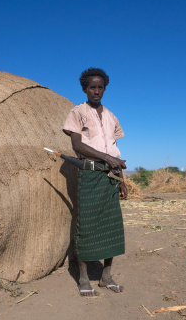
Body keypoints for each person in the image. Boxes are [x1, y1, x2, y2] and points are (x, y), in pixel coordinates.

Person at [62, 67, 128, 297]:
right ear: (85, 88)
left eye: (100, 87)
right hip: (90, 174)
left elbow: (115, 149)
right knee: (87, 225)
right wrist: (106, 158)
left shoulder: (111, 116)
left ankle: (106, 276)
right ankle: (83, 278)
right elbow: (77, 146)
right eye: (92, 87)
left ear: (104, 88)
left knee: (111, 226)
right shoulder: (78, 112)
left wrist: (121, 180)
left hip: (110, 176)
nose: (96, 91)